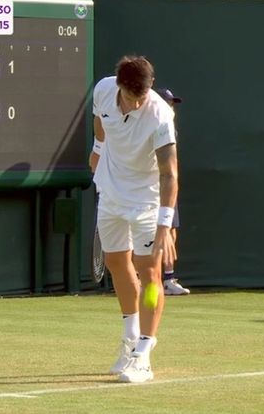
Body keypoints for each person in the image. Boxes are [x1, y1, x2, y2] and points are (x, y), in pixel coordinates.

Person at [88, 55, 178, 383]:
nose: (137, 102)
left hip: (146, 201)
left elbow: (170, 174)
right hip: (111, 191)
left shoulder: (160, 115)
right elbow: (100, 120)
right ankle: (129, 337)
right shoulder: (102, 90)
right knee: (115, 262)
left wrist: (165, 225)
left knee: (150, 271)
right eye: (131, 96)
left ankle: (144, 354)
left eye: (142, 95)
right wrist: (98, 147)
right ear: (119, 85)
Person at [156, 88, 190, 296]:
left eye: (172, 103)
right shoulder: (153, 125)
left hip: (169, 187)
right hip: (149, 189)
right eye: (168, 102)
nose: (171, 107)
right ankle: (141, 278)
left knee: (171, 230)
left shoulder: (170, 127)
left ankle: (168, 279)